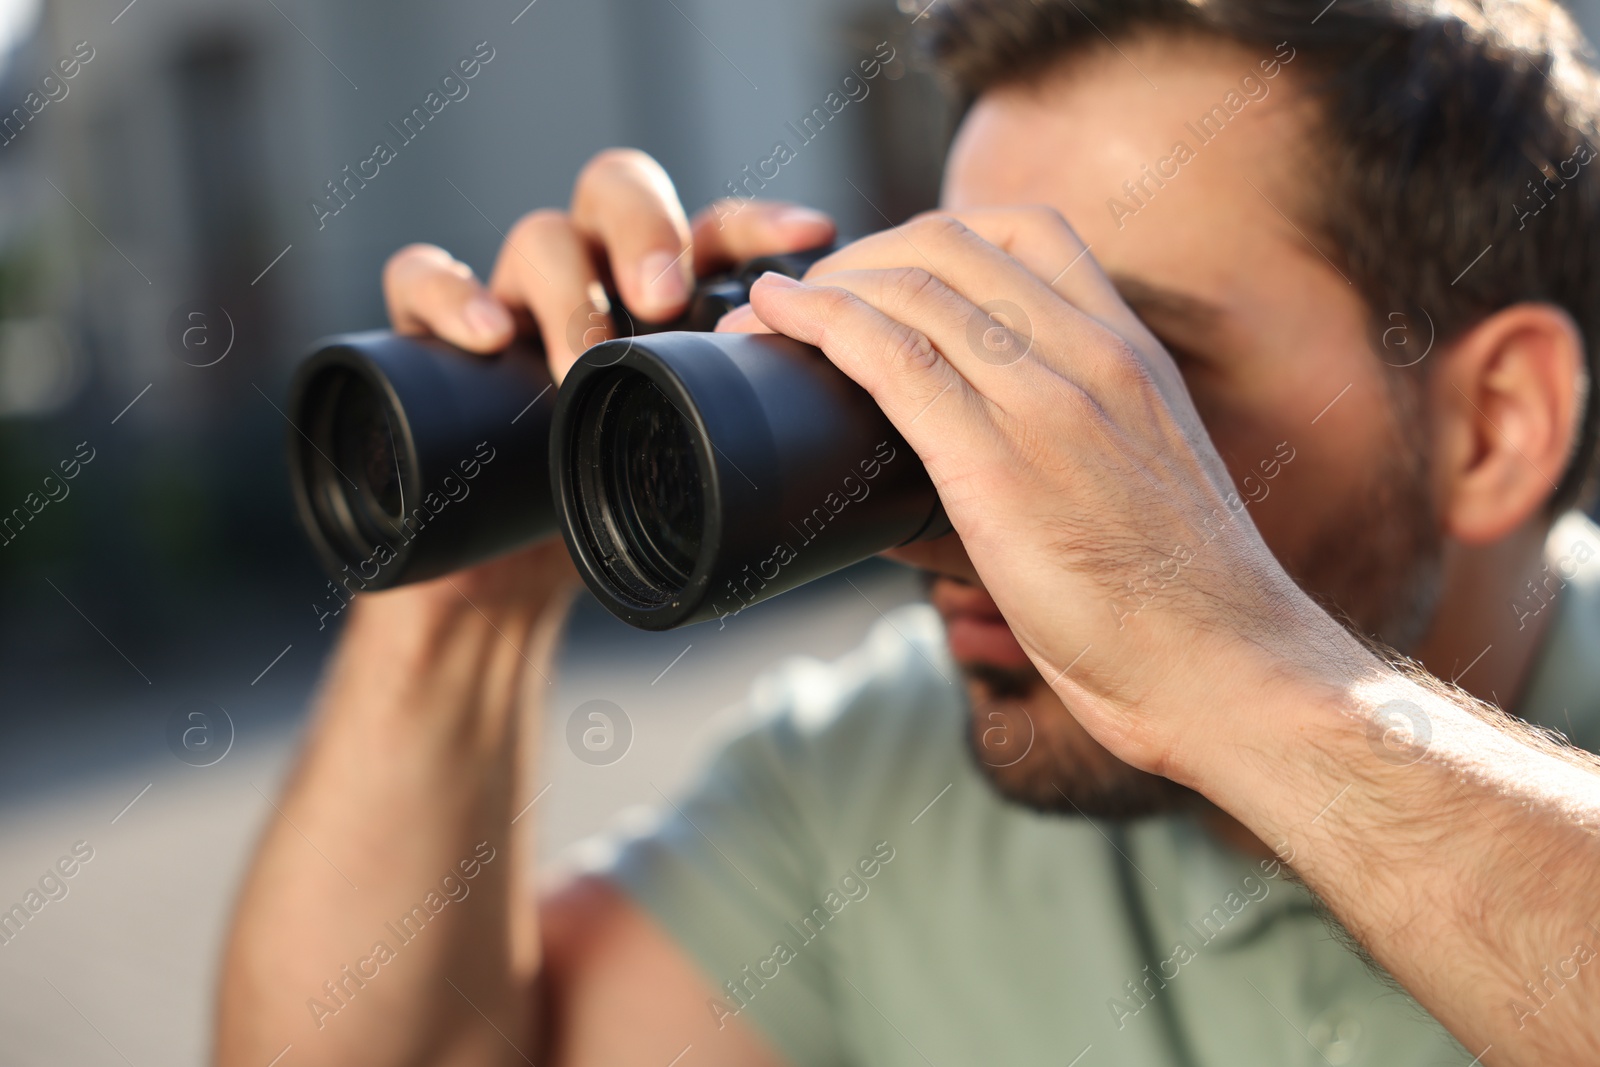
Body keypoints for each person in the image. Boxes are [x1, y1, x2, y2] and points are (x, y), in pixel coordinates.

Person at [216, 1, 1600, 1064]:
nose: (968, 489)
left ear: (1495, 425)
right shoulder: (878, 781)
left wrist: (1232, 674)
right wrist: (462, 615)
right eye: (956, 339)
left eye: (1112, 369)